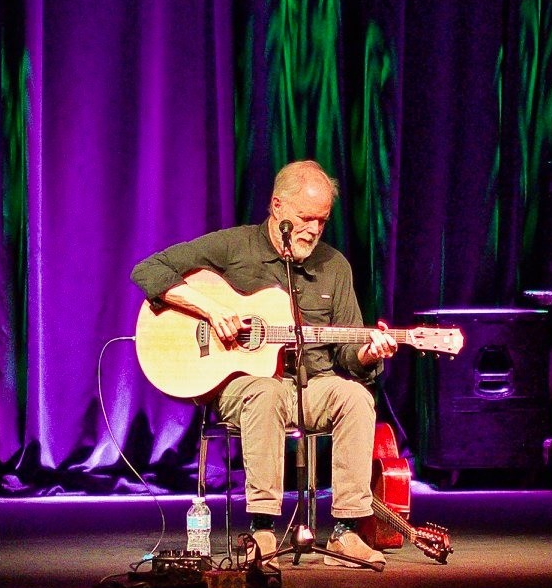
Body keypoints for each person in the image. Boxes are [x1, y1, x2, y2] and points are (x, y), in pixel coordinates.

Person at [130, 160, 394, 564]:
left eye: (322, 221)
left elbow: (347, 352)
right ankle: (263, 528)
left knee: (355, 397)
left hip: (312, 385)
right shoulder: (235, 247)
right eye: (305, 218)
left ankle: (345, 531)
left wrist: (367, 353)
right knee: (265, 392)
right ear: (277, 205)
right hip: (244, 387)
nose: (313, 230)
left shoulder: (334, 266)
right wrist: (210, 309)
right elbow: (149, 270)